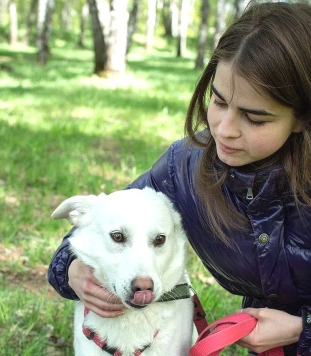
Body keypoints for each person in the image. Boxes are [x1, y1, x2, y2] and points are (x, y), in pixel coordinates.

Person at [48, 2, 311, 355]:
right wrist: (73, 270)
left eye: (255, 118)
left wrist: (301, 328)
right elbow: (106, 220)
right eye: (218, 102)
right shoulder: (183, 168)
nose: (225, 130)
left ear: (301, 118)